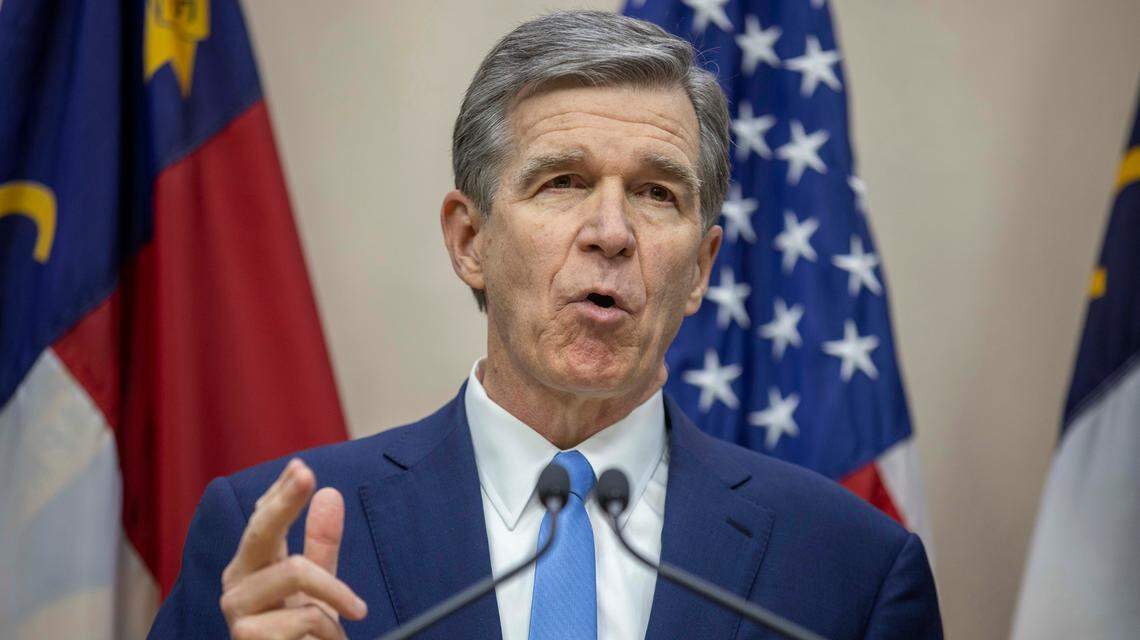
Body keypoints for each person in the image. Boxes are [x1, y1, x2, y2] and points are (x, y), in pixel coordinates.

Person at [148, 10, 942, 640]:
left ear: (699, 270)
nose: (611, 232)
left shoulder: (852, 570)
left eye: (657, 193)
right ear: (470, 242)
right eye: (563, 182)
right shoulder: (276, 541)